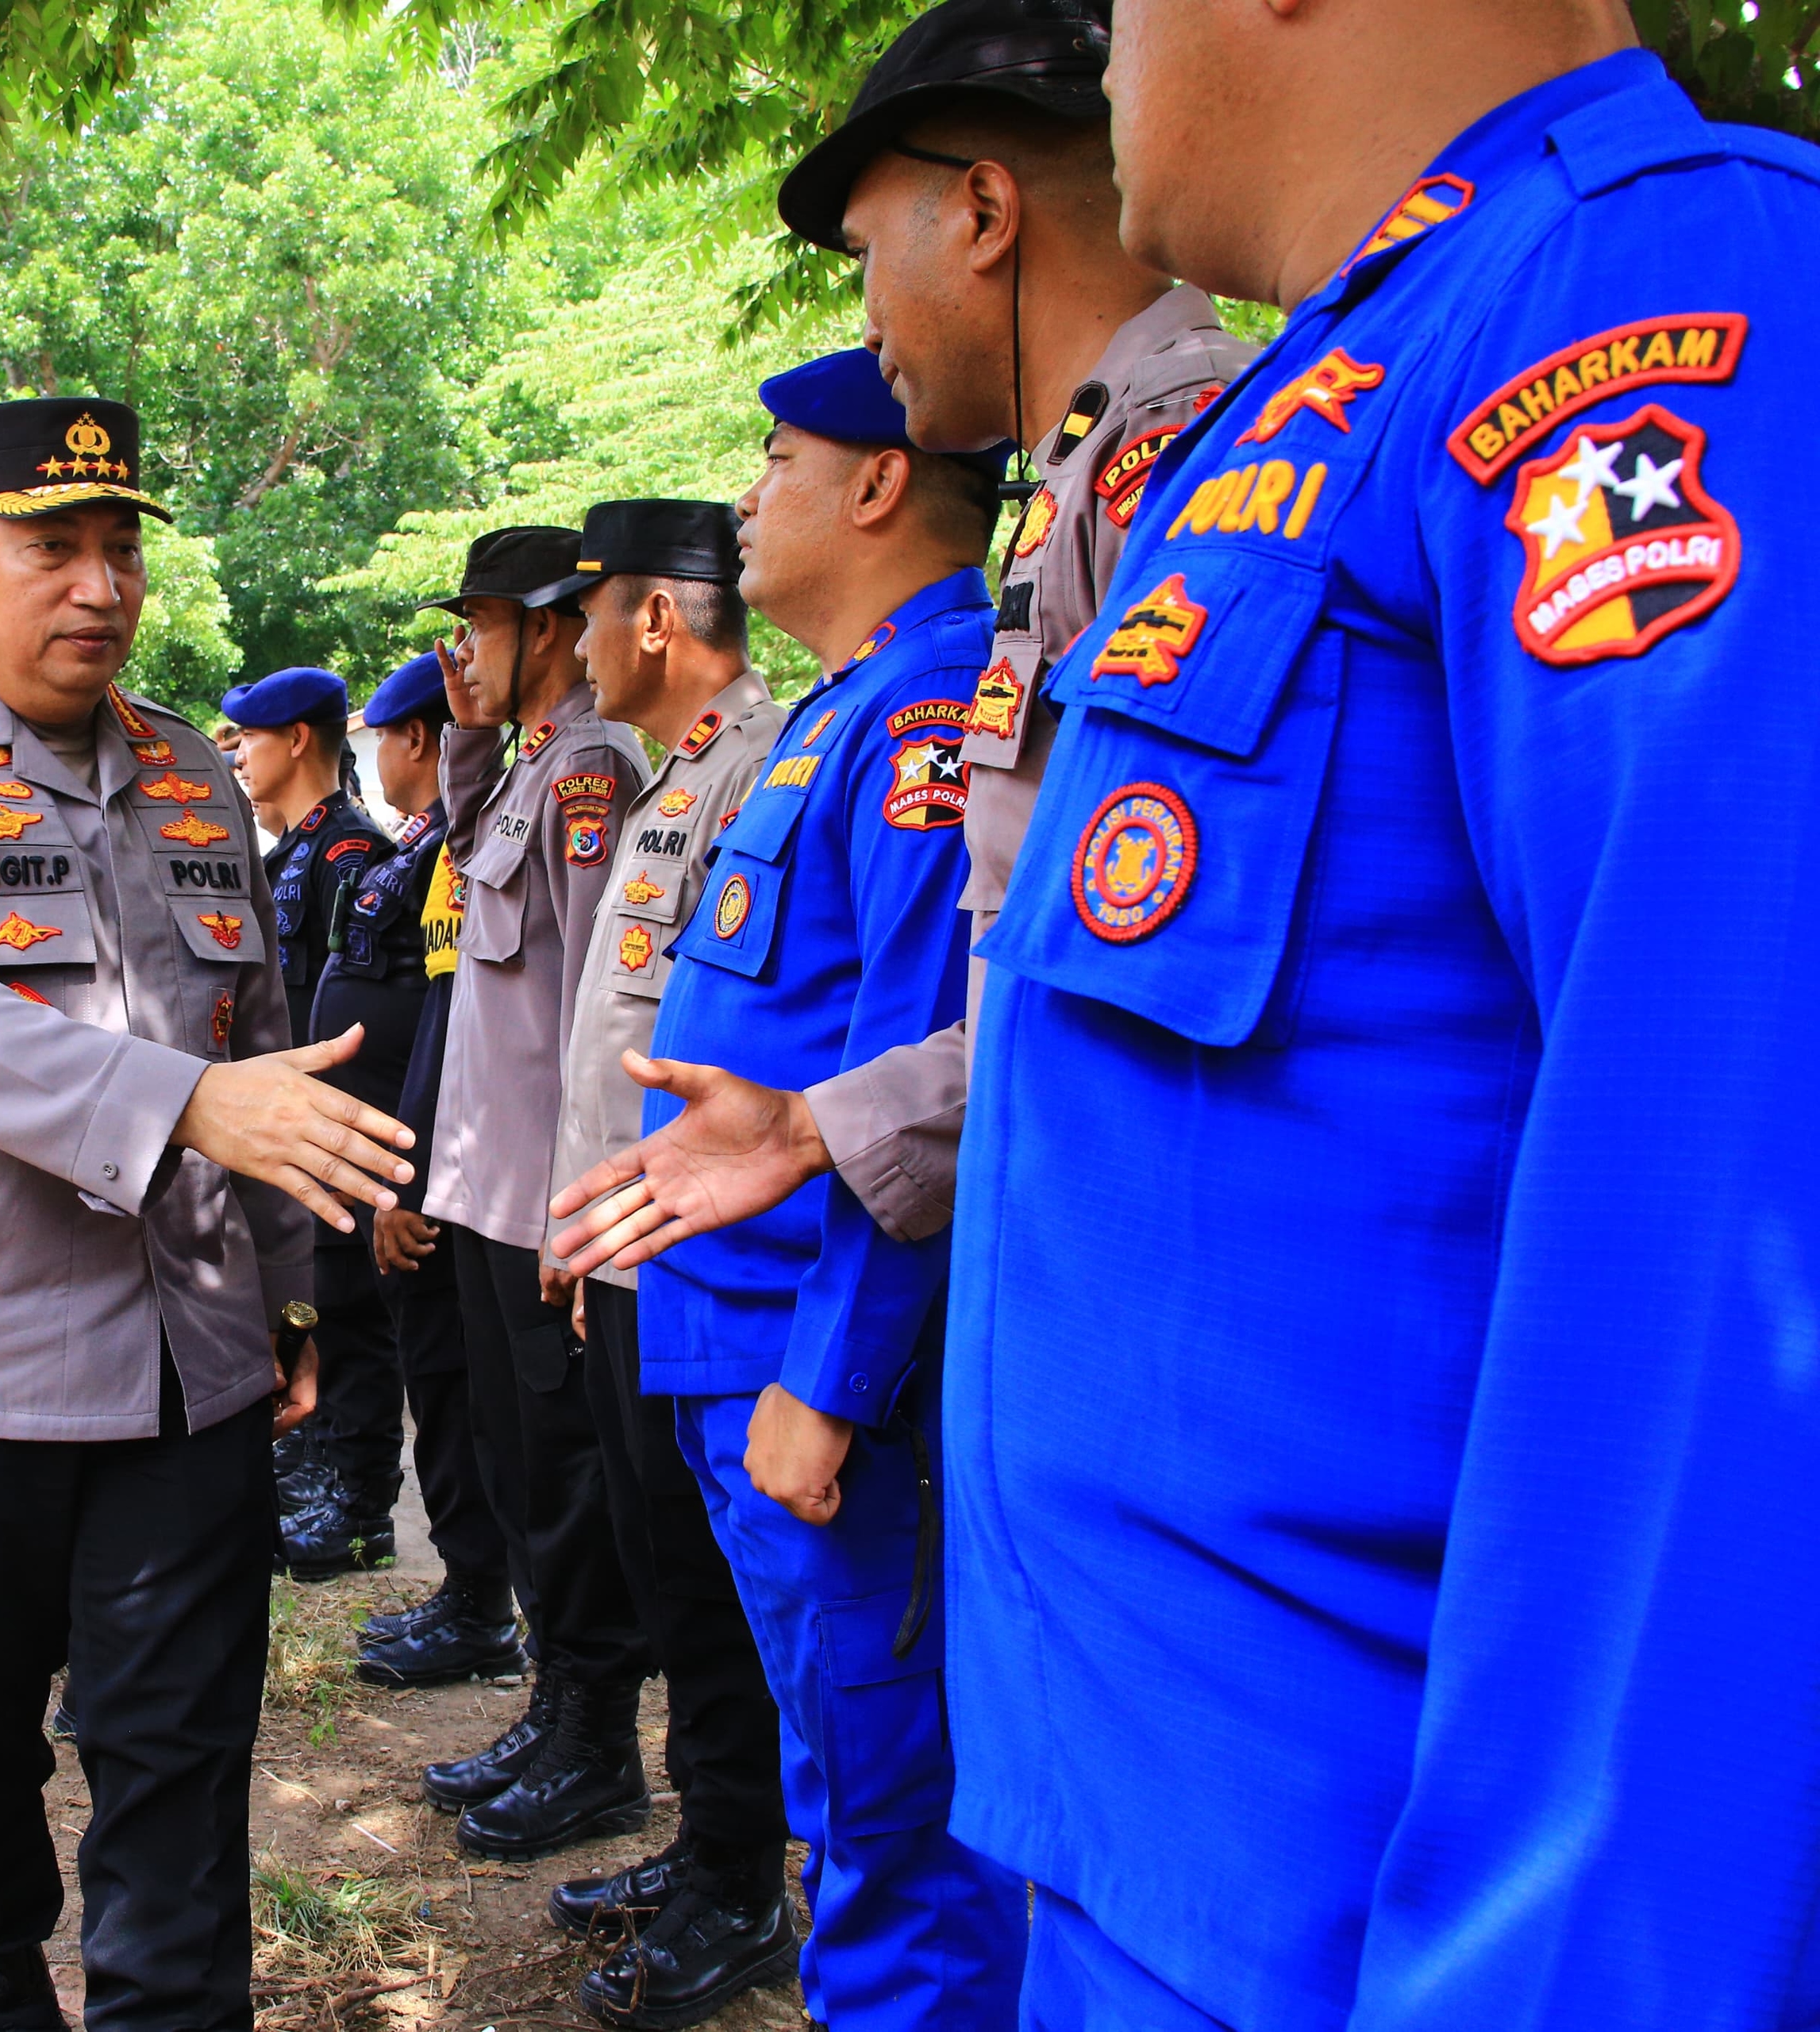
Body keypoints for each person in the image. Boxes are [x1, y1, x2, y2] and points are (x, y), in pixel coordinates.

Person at [960, 8, 1812, 2024]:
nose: (1105, 48)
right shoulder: (1338, 389)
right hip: (1160, 1863)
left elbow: (1737, 1292)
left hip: (1390, 1927)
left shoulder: (1650, 292)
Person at [0, 395, 414, 2032]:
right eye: (50, 545)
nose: (98, 583)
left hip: (182, 1373)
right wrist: (177, 1106)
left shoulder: (198, 774)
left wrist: (285, 1297)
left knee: (181, 1758)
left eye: (120, 544)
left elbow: (259, 1049)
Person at [553, 0, 1252, 1274]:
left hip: (1136, 1283)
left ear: (984, 215)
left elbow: (1153, 988)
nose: (867, 318)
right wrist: (819, 1127)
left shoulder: (1192, 468)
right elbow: (1039, 992)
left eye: (870, 253)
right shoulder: (1078, 490)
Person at [633, 352, 1023, 2030]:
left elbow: (902, 1087)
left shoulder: (929, 717)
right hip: (732, 1343)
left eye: (777, 458)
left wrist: (830, 1373)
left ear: (876, 484)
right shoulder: (839, 709)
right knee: (837, 1792)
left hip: (815, 1376)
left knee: (894, 1826)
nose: (747, 496)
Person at [528, 502, 796, 2026]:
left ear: (653, 621)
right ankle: (709, 1841)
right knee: (662, 1570)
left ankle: (741, 1886)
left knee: (708, 1589)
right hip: (627, 1250)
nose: (569, 648)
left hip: (700, 1256)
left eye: (587, 617)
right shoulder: (678, 778)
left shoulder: (767, 763)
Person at [413, 525, 651, 1862]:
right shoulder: (526, 774)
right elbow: (463, 890)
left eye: (486, 624)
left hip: (540, 1204)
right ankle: (557, 1708)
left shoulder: (592, 779)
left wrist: (580, 1205)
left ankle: (597, 1743)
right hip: (486, 1195)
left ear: (553, 628)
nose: (464, 647)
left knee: (565, 1481)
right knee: (520, 1469)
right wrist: (463, 743)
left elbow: (589, 1007)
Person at [340, 652, 522, 1690]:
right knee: (445, 1394)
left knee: (462, 1399)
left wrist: (404, 1184)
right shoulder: (425, 851)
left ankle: (481, 1605)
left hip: (442, 1173)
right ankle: (468, 1591)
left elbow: (450, 1032)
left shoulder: (449, 850)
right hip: (416, 1165)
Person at [222, 665, 396, 1575]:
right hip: (283, 1126)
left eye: (249, 737)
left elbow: (349, 1014)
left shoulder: (348, 854)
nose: (238, 755)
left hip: (332, 1126)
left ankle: (362, 1506)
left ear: (296, 739)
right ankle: (318, 1467)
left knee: (350, 1322)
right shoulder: (289, 854)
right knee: (307, 1307)